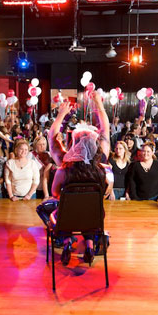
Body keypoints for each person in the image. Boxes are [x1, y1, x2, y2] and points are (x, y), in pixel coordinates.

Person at [37, 92, 111, 265]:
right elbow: (106, 131)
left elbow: (55, 193)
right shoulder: (101, 163)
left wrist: (61, 114)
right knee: (87, 211)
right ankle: (90, 243)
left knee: (47, 208)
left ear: (73, 144)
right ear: (94, 144)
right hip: (94, 218)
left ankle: (66, 240)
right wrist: (98, 104)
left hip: (67, 218)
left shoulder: (64, 165)